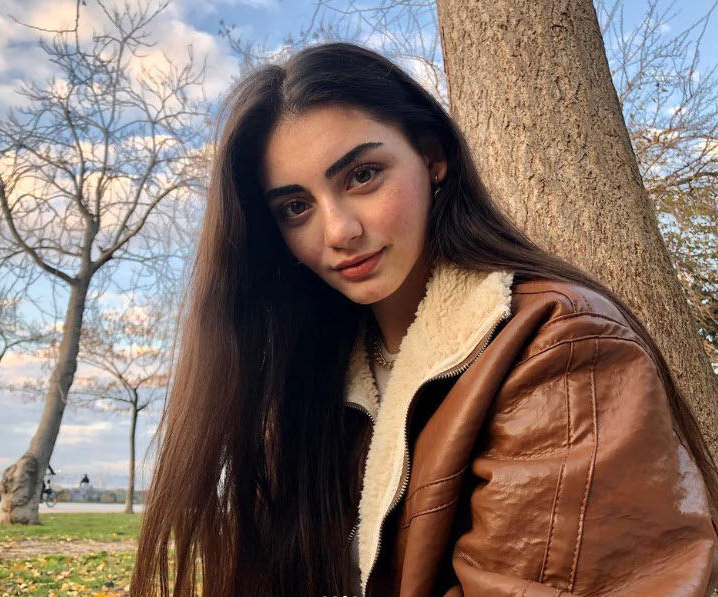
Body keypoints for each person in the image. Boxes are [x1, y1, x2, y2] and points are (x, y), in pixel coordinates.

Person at [130, 42, 718, 597]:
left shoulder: (559, 347)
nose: (339, 231)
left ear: (432, 157)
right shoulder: (306, 383)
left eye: (362, 175)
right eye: (296, 207)